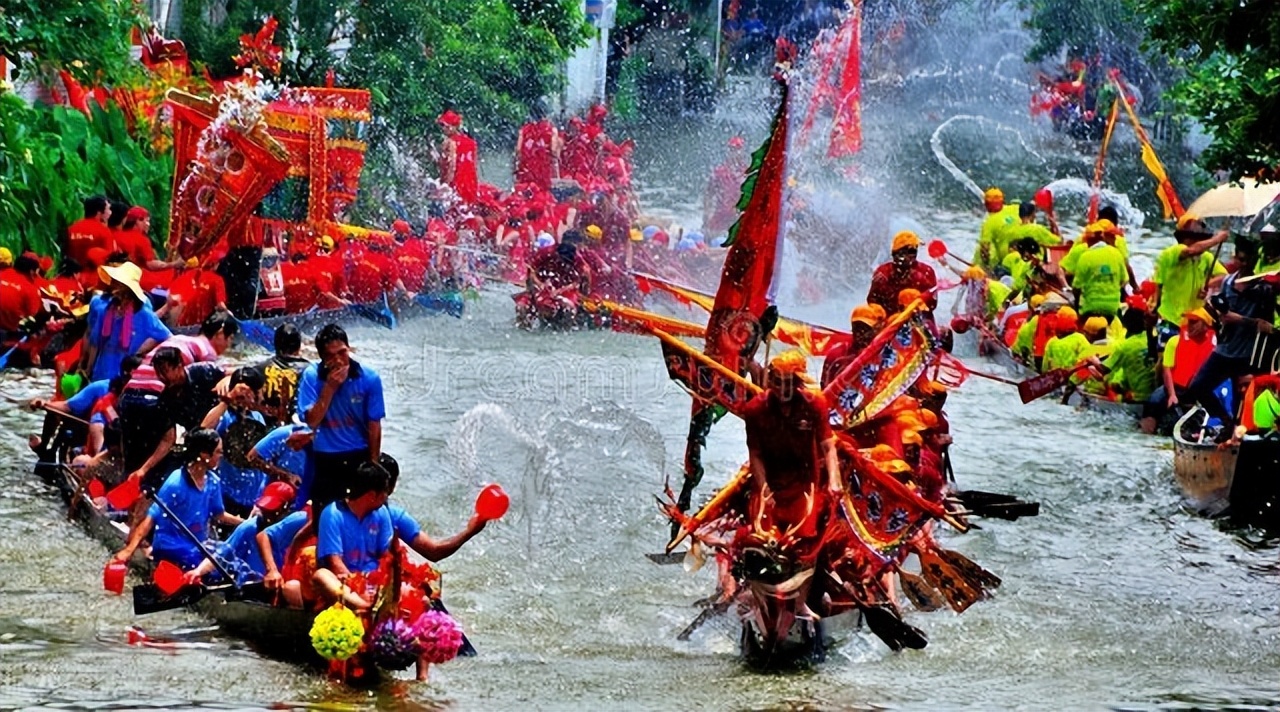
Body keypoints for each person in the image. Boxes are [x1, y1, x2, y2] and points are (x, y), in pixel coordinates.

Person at [313, 461, 487, 610]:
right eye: (384, 493)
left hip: (376, 584)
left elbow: (387, 559)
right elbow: (335, 564)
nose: (387, 498)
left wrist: (392, 586)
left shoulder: (382, 513)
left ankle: (378, 608)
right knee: (321, 575)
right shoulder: (333, 514)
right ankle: (366, 608)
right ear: (372, 495)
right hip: (348, 584)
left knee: (423, 599)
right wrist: (358, 587)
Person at [741, 351, 842, 539]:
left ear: (799, 383)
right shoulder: (754, 409)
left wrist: (835, 481)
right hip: (770, 478)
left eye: (790, 383)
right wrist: (764, 489)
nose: (783, 390)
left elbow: (828, 447)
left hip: (805, 480)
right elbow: (755, 453)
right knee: (759, 534)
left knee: (805, 534)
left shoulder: (815, 404)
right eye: (778, 382)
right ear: (770, 380)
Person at [113, 428, 244, 570]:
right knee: (208, 569)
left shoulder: (213, 482)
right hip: (171, 545)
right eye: (219, 452)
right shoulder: (176, 483)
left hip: (197, 545)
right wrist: (129, 550)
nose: (221, 456)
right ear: (204, 454)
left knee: (231, 563)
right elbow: (152, 517)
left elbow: (219, 514)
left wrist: (245, 523)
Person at [1185, 240, 1276, 435]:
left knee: (1240, 403)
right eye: (1240, 259)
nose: (1243, 264)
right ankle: (1225, 421)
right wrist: (1209, 302)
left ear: (1254, 260)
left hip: (1246, 355)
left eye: (1247, 260)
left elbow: (1265, 324)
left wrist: (1241, 320)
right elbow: (1219, 314)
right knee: (1198, 387)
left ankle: (1236, 432)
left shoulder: (1263, 289)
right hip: (1224, 349)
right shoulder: (1227, 282)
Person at [298, 324, 385, 514]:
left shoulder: (369, 378)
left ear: (349, 348)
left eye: (342, 352)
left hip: (359, 454)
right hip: (326, 457)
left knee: (369, 512)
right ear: (322, 359)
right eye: (331, 356)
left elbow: (374, 425)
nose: (338, 360)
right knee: (324, 515)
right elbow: (312, 421)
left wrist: (374, 465)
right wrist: (329, 388)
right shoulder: (312, 376)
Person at [121, 347, 232, 493]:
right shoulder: (166, 400)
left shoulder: (201, 372)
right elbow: (168, 439)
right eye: (158, 372)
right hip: (202, 440)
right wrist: (143, 470)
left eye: (165, 371)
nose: (162, 377)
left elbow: (233, 374)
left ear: (179, 366)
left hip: (225, 422)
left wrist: (226, 380)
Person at [185, 481, 297, 583]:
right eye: (265, 509)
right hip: (253, 587)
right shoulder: (250, 527)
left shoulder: (296, 527)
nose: (267, 514)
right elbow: (221, 554)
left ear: (286, 510)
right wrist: (198, 571)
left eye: (272, 511)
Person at [79, 261, 171, 382]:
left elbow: (165, 336)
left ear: (127, 289)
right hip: (101, 371)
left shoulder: (143, 314)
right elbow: (95, 342)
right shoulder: (106, 310)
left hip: (124, 375)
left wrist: (139, 352)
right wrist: (87, 369)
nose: (113, 285)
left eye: (118, 283)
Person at [1151, 216, 1229, 348]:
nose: (1200, 243)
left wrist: (1207, 284)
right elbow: (1191, 251)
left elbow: (1224, 276)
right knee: (1166, 359)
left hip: (1194, 321)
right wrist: (1217, 239)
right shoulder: (1173, 252)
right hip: (1171, 319)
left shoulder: (1206, 257)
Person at [202, 367, 270, 517]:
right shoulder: (224, 416)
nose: (260, 396)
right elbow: (203, 431)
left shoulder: (257, 417)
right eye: (257, 392)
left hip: (254, 495)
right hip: (227, 493)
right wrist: (228, 399)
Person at [1142, 308, 1216, 433]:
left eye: (1194, 322)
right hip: (1176, 387)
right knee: (1154, 401)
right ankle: (1146, 433)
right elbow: (1167, 370)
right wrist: (1172, 395)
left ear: (1205, 325)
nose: (1189, 325)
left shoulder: (1215, 347)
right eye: (1189, 322)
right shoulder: (1174, 341)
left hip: (1201, 391)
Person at [253, 324, 311, 426]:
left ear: (275, 345)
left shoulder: (260, 369)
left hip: (267, 429)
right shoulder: (310, 371)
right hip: (299, 429)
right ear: (299, 346)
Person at [867, 231, 938, 314]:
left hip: (921, 317)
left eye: (915, 250)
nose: (913, 255)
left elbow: (932, 304)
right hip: (890, 321)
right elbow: (872, 301)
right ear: (896, 254)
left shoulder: (926, 271)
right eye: (911, 251)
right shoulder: (883, 273)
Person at [247, 424, 314, 508]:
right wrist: (286, 476)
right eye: (292, 442)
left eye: (295, 442)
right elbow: (252, 458)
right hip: (271, 502)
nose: (292, 446)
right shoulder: (284, 433)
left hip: (300, 505)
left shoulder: (324, 444)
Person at [1071, 221, 1128, 319]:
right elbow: (1124, 280)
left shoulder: (1085, 257)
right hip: (1112, 308)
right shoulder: (1117, 254)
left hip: (1090, 308)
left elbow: (1076, 287)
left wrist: (1076, 308)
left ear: (1089, 241)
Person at [820, 303, 886, 387]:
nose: (860, 332)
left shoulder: (887, 356)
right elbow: (824, 389)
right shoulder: (837, 355)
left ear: (878, 329)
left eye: (866, 328)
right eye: (856, 327)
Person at [514, 104, 561, 191]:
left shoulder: (523, 130)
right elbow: (553, 152)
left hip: (526, 172)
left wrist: (515, 173)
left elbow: (518, 151)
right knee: (542, 194)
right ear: (545, 114)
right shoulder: (551, 130)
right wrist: (557, 176)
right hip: (542, 175)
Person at [972, 187, 1019, 270]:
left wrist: (987, 267)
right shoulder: (1016, 208)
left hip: (1006, 262)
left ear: (986, 204)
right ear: (1003, 201)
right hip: (1026, 254)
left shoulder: (988, 223)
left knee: (979, 249)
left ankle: (977, 271)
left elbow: (985, 249)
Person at [437, 110, 479, 203]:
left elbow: (451, 166)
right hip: (471, 184)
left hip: (457, 183)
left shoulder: (449, 142)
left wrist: (445, 186)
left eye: (443, 125)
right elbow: (474, 166)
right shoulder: (472, 143)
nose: (442, 129)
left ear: (451, 127)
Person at [0, 254, 43, 341]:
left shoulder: (2, 273)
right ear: (32, 271)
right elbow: (32, 313)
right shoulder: (31, 289)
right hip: (5, 332)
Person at [65, 196, 115, 267]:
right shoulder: (104, 231)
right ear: (99, 212)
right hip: (95, 274)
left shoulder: (71, 228)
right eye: (108, 209)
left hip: (73, 274)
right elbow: (110, 258)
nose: (110, 213)